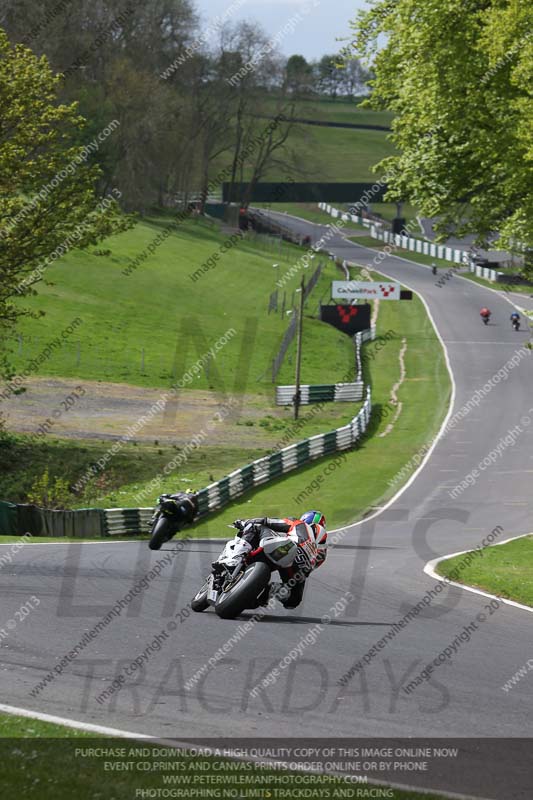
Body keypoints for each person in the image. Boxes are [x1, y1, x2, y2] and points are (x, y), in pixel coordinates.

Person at [214, 511, 327, 609]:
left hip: (287, 548)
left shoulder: (299, 524)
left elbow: (269, 521)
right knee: (293, 600)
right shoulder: (323, 549)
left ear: (306, 519)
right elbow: (313, 567)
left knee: (255, 526)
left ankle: (235, 558)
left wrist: (244, 522)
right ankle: (270, 590)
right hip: (299, 568)